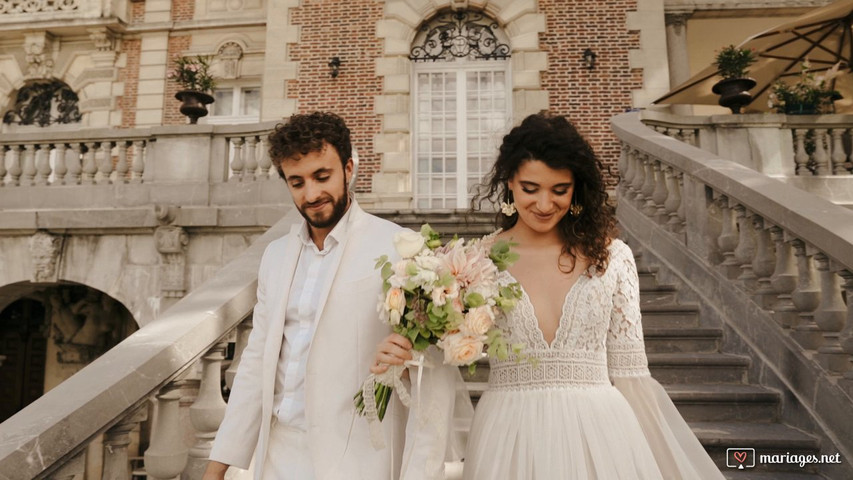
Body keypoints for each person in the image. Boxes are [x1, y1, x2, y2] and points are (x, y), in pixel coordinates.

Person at [374, 113, 724, 479]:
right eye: (530, 188)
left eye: (560, 190)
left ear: (576, 189)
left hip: (604, 435)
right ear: (509, 182)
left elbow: (632, 376)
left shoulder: (614, 258)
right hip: (509, 436)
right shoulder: (474, 261)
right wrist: (406, 350)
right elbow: (440, 359)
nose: (544, 204)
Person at [204, 112, 458, 480]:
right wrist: (217, 467)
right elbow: (256, 362)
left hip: (357, 460)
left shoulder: (399, 249)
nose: (311, 194)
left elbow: (433, 381)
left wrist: (408, 359)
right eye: (297, 182)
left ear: (348, 168)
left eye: (322, 177)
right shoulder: (275, 256)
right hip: (276, 456)